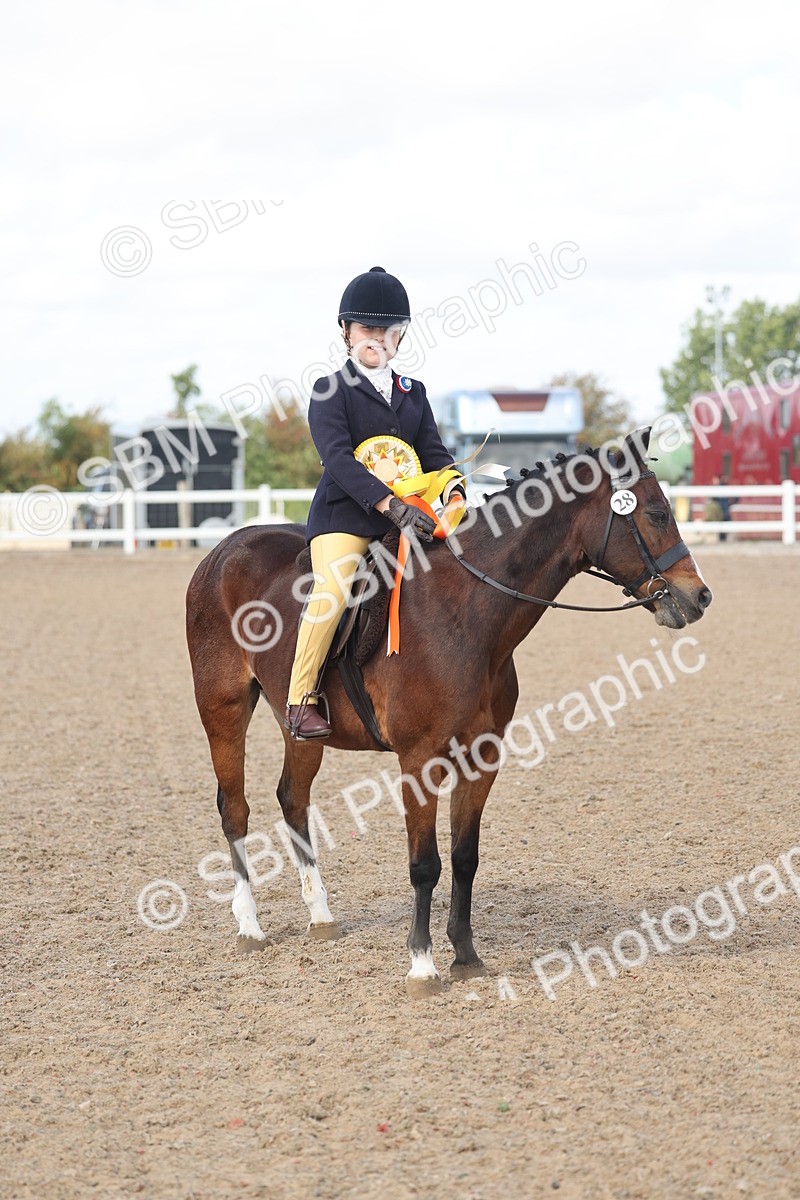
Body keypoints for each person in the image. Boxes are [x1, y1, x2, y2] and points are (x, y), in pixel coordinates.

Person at [284, 266, 467, 740]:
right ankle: (300, 698)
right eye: (368, 329)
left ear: (400, 337)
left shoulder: (414, 394)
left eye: (388, 330)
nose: (378, 338)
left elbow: (434, 453)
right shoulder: (330, 392)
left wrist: (454, 488)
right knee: (335, 589)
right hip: (345, 517)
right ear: (346, 332)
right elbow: (338, 460)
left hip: (408, 518)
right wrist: (387, 505)